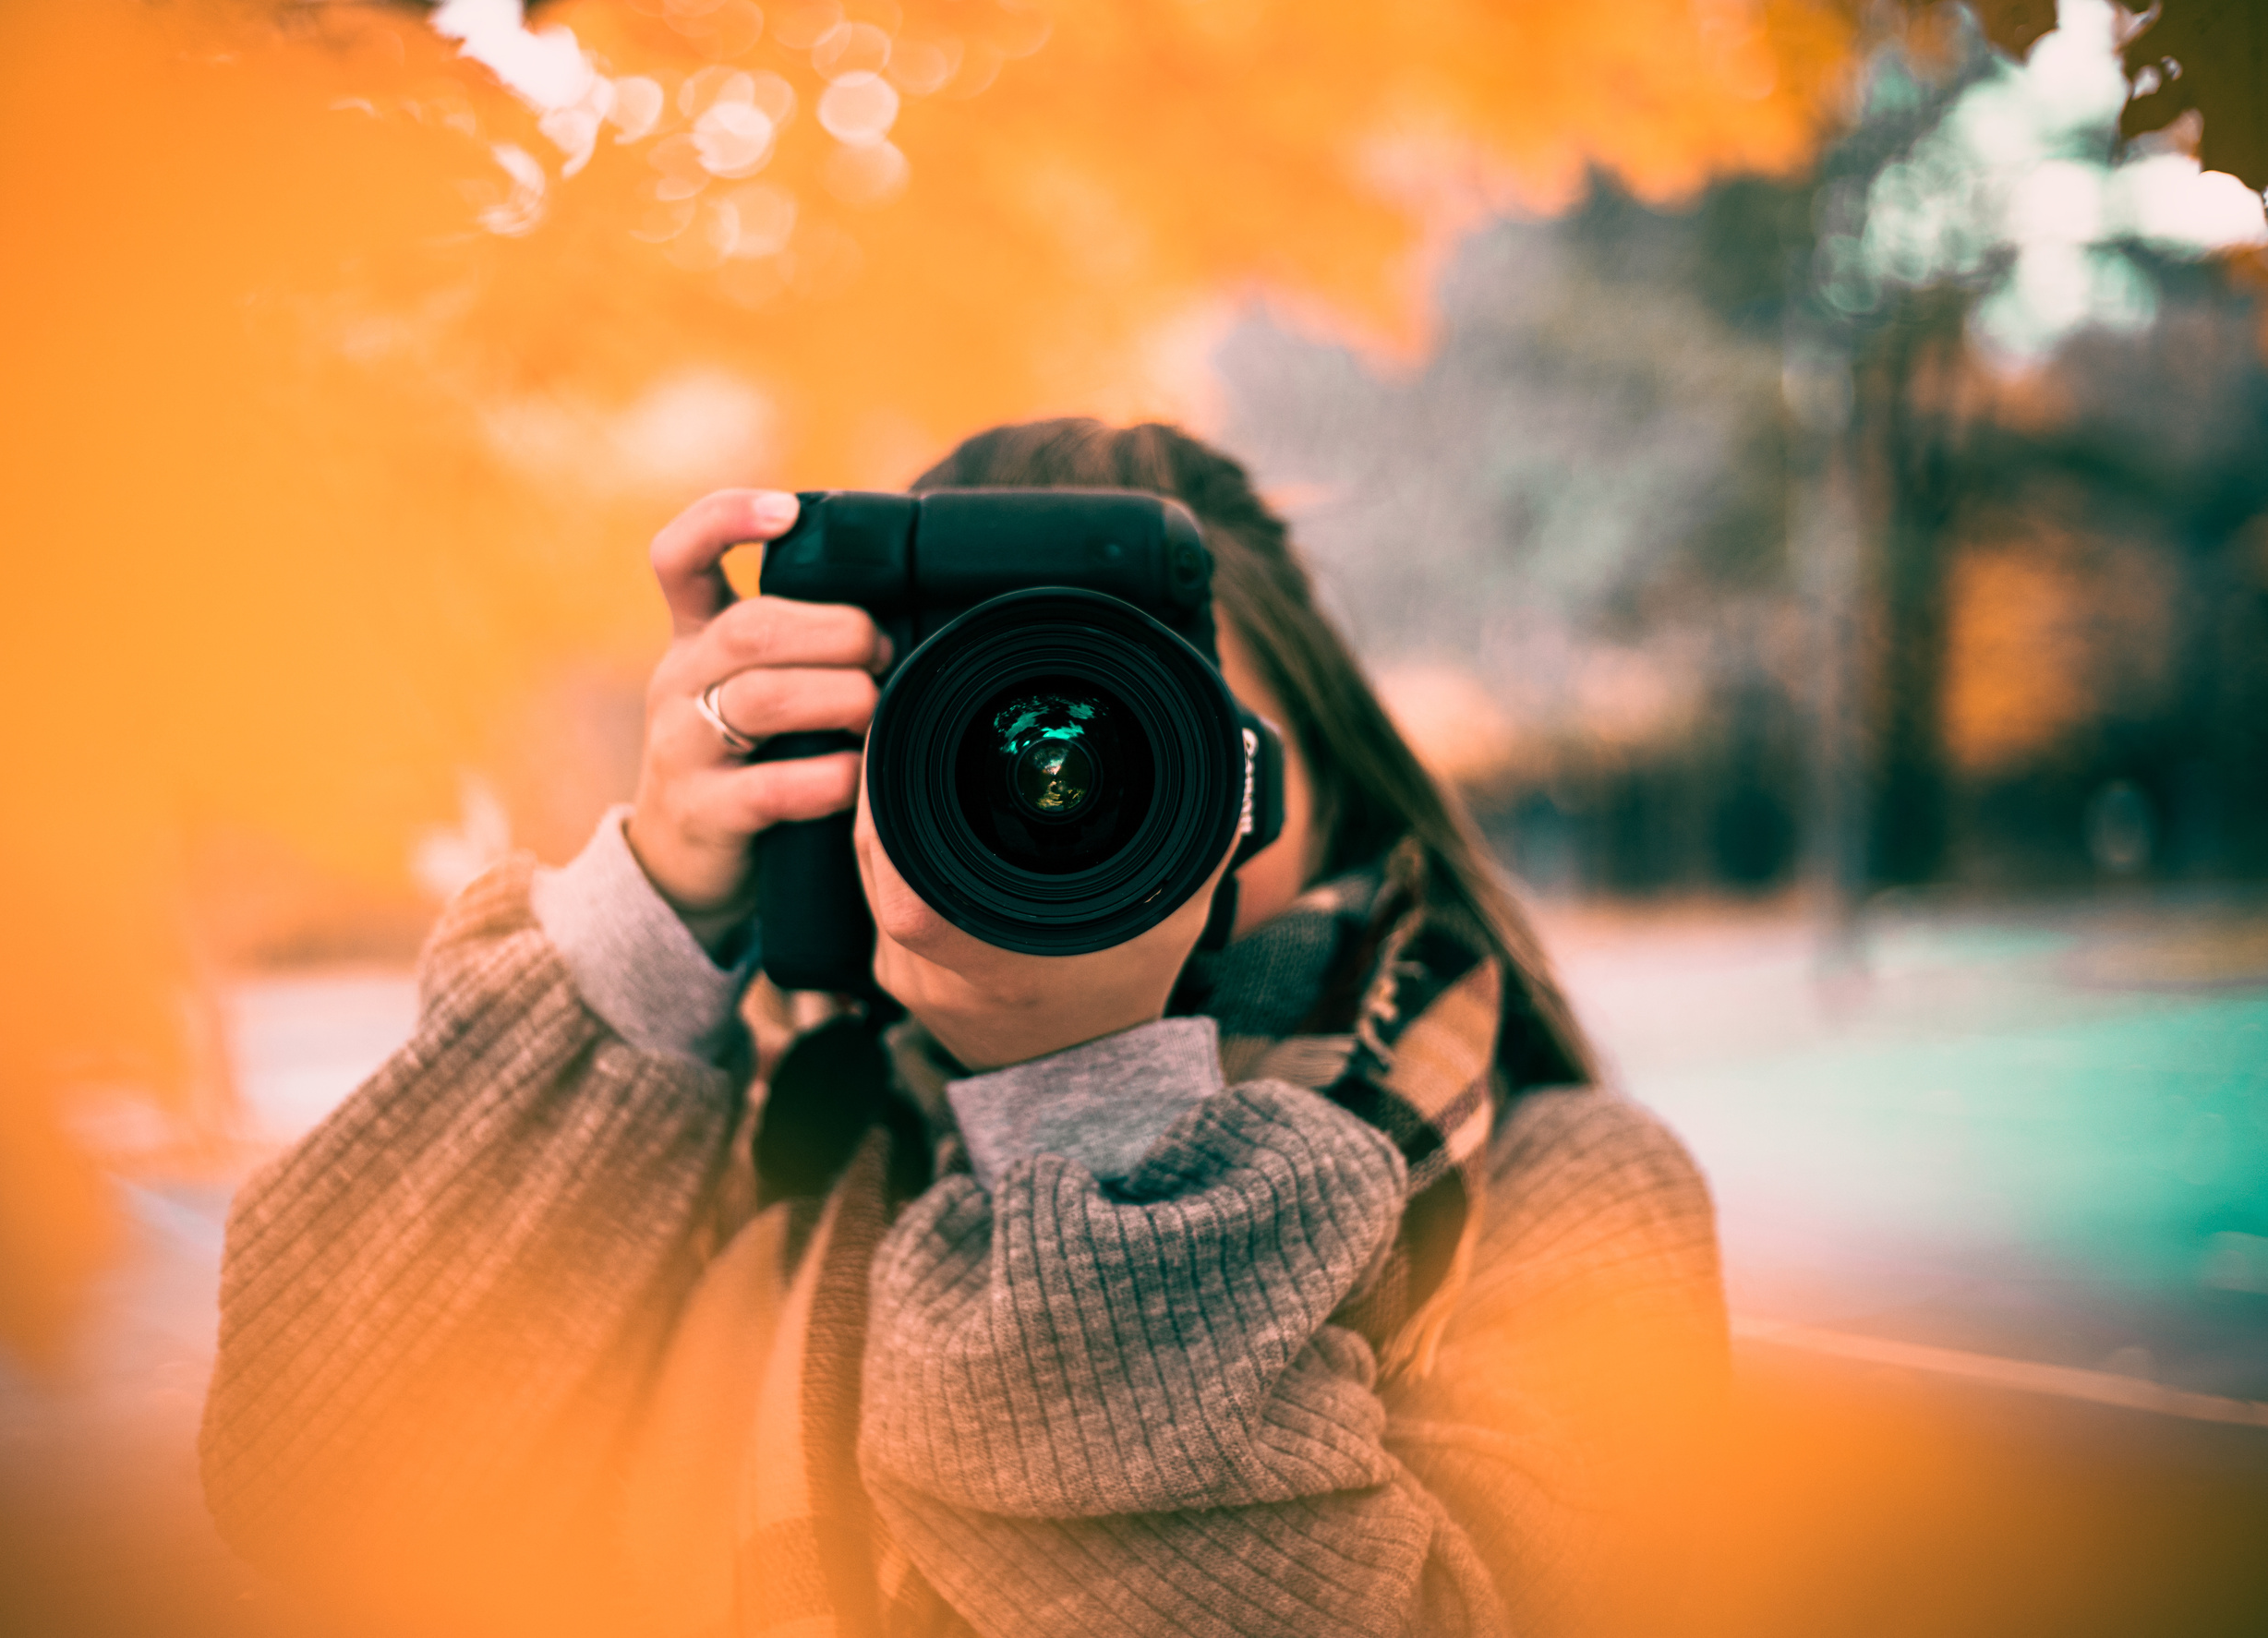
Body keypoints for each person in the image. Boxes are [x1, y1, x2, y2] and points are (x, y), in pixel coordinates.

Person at [199, 419, 1727, 1638]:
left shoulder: (1568, 1189)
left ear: (1310, 781)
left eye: (1167, 747)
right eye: (964, 750)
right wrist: (646, 918)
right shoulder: (767, 1138)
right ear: (842, 778)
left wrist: (1086, 1102)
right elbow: (317, 1483)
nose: (1058, 806)